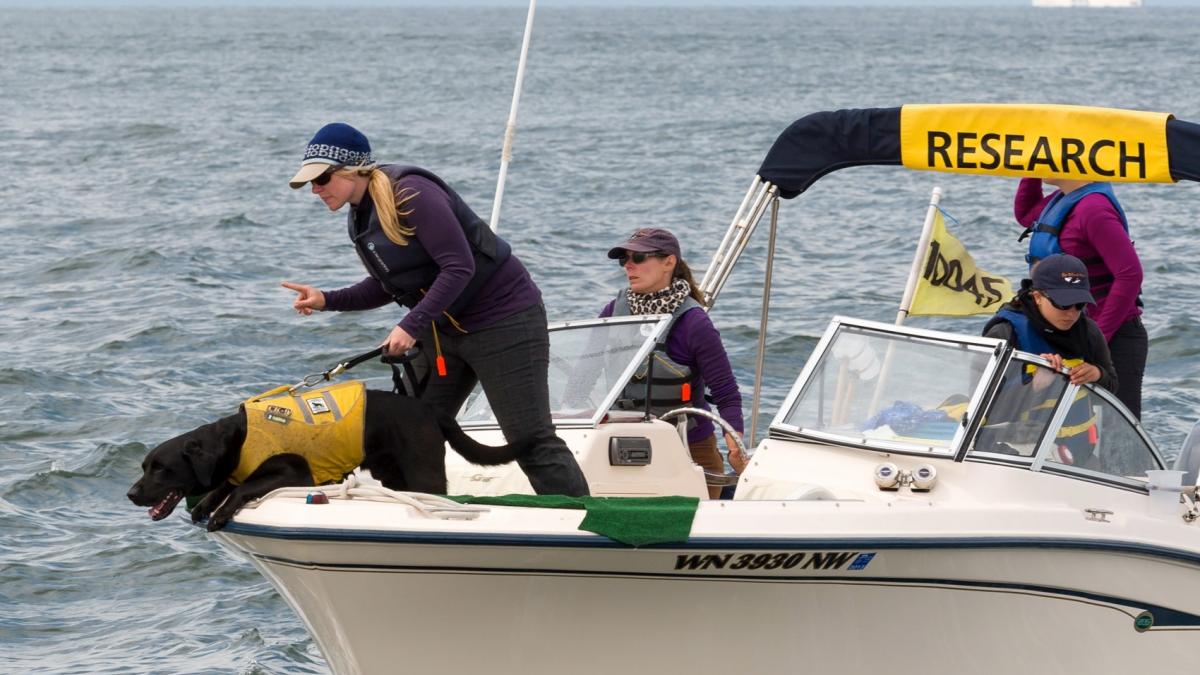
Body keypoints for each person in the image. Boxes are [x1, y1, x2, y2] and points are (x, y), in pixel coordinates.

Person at [281, 122, 588, 497]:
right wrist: (327, 299)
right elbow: (388, 283)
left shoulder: (413, 193)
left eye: (322, 179)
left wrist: (411, 325)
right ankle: (419, 515)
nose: (315, 189)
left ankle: (578, 521)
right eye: (310, 183)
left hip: (504, 323)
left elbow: (459, 266)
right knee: (405, 431)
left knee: (530, 438)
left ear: (353, 170)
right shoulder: (360, 213)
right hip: (444, 332)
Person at [599, 228, 746, 498]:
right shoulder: (612, 312)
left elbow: (727, 395)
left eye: (639, 257)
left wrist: (735, 446)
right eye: (624, 259)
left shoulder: (694, 323)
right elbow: (583, 380)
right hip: (622, 445)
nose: (629, 265)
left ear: (669, 262)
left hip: (690, 449)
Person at [1014, 177, 1146, 418]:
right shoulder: (1062, 200)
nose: (1043, 154)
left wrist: (1098, 340)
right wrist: (1030, 168)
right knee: (1068, 426)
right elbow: (1026, 215)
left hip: (1113, 336)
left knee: (1115, 433)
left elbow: (1130, 274)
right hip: (1070, 331)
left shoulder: (1094, 209)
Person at [982, 254, 1118, 465]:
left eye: (1079, 304)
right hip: (1015, 454)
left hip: (1078, 454)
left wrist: (1097, 374)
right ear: (1037, 296)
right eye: (1062, 304)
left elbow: (1113, 384)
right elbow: (984, 408)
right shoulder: (1004, 333)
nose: (1071, 313)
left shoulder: (1089, 331)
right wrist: (1034, 386)